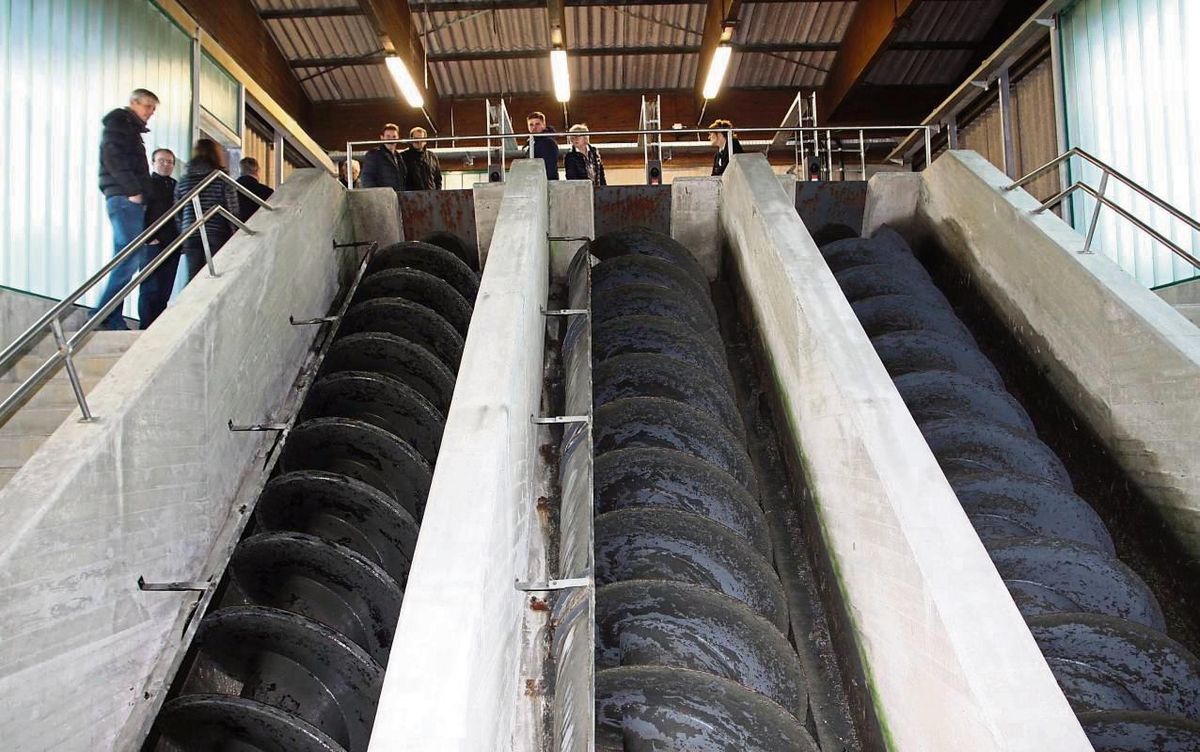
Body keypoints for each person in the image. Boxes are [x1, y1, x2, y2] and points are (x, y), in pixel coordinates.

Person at [93, 88, 158, 330]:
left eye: (153, 108)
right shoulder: (120, 125)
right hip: (124, 199)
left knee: (127, 257)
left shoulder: (127, 128)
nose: (151, 112)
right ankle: (102, 314)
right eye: (147, 106)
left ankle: (111, 316)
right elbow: (113, 157)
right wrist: (133, 191)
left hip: (125, 199)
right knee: (130, 258)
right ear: (133, 102)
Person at [174, 138, 238, 282]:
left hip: (191, 232)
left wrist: (183, 234)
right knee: (216, 277)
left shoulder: (184, 180)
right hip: (216, 232)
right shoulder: (220, 177)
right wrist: (235, 234)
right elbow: (232, 208)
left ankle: (191, 304)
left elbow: (178, 212)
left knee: (193, 277)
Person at [139, 148, 180, 327]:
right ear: (153, 162)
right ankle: (145, 326)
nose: (166, 165)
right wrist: (148, 237)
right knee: (150, 288)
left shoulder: (176, 186)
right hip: (153, 243)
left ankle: (157, 326)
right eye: (162, 161)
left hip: (173, 244)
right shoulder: (146, 184)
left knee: (165, 289)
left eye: (170, 162)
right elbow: (140, 212)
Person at [360, 123, 407, 190]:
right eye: (388, 136)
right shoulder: (374, 154)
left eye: (394, 137)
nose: (391, 140)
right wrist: (378, 196)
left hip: (398, 197)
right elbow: (367, 179)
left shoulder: (399, 157)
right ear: (382, 138)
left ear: (398, 138)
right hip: (383, 197)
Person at [402, 126, 442, 190]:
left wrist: (437, 194)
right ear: (411, 140)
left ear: (425, 141)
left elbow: (438, 179)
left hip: (431, 196)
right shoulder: (403, 157)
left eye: (421, 139)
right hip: (411, 197)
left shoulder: (432, 157)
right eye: (415, 139)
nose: (418, 141)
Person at [235, 157, 273, 222]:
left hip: (235, 227)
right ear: (257, 170)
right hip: (258, 226)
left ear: (241, 171)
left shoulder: (231, 188)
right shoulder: (267, 191)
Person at [525, 111, 559, 180]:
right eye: (531, 125)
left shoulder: (548, 143)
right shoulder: (533, 143)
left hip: (544, 183)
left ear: (544, 124)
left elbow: (550, 167)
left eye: (537, 124)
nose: (534, 127)